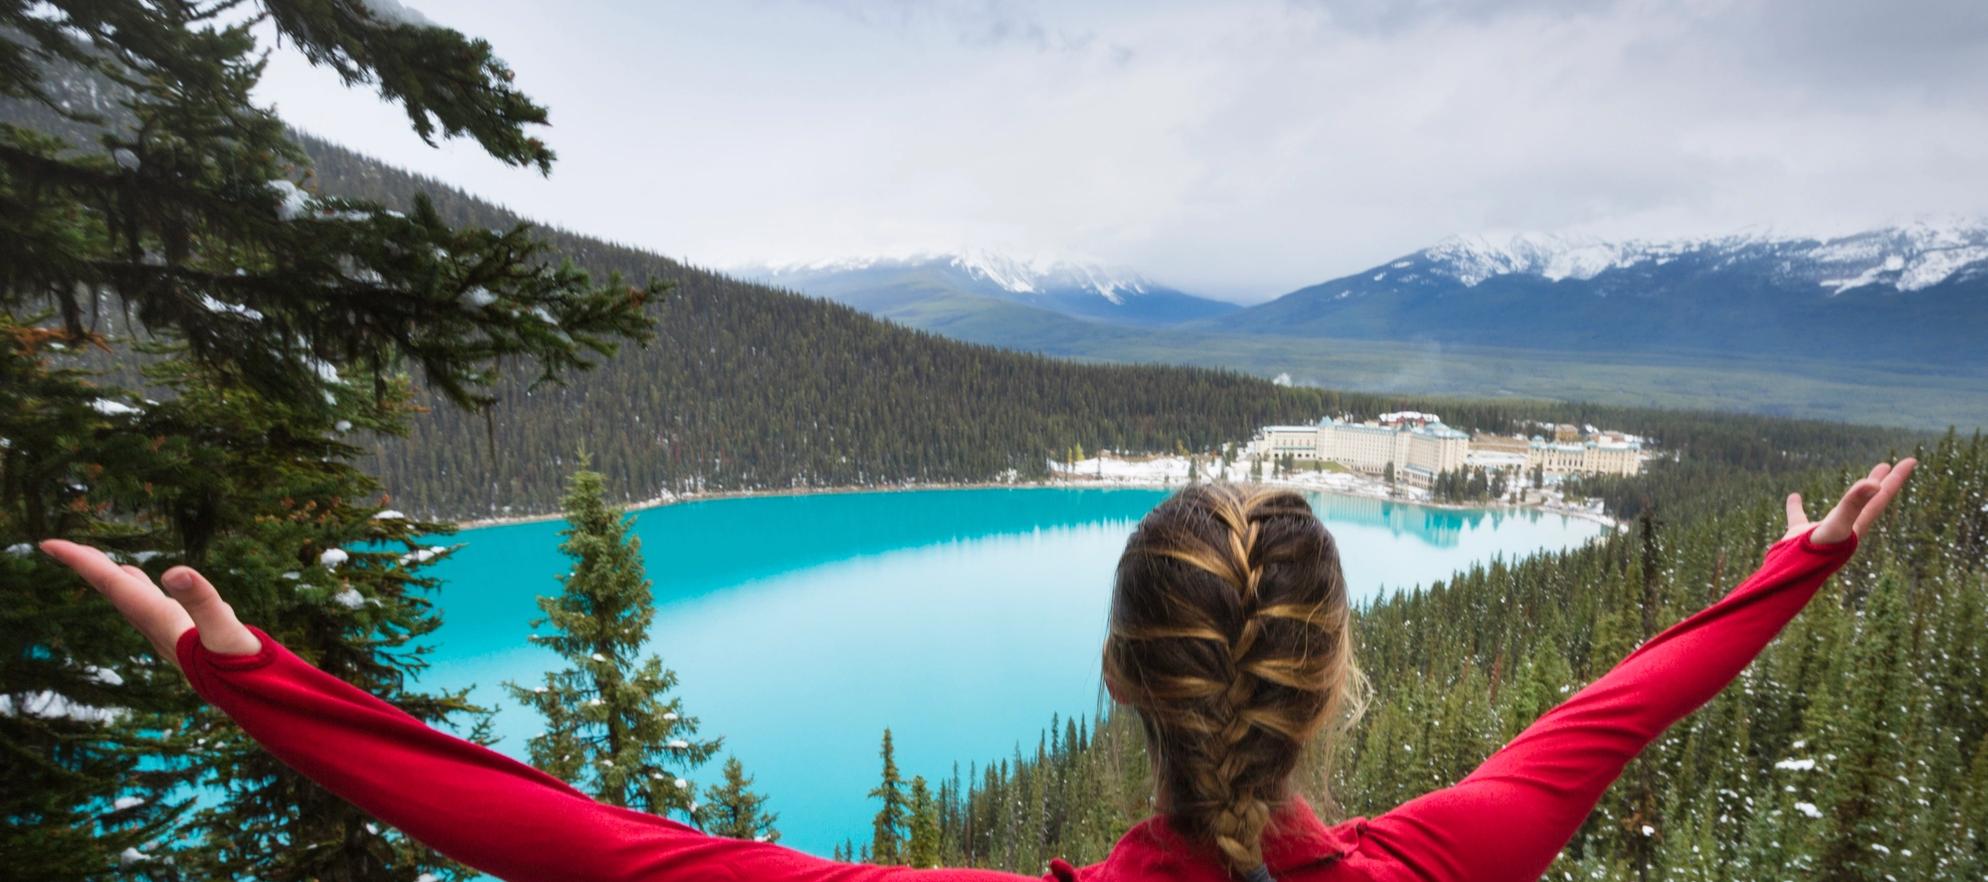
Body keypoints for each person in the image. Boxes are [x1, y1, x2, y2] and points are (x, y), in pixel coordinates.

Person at [41, 457, 1915, 882]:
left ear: (1124, 675)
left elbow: (575, 841)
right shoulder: (1456, 861)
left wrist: (266, 681)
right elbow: (1612, 714)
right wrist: (1792, 569)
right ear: (1333, 679)